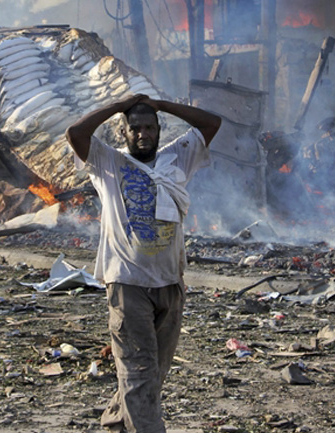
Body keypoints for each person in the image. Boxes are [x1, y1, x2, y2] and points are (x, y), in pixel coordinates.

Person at [65, 93, 221, 432]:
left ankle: (114, 423)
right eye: (134, 128)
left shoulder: (176, 159)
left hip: (169, 284)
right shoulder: (109, 162)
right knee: (139, 373)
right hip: (128, 285)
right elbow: (76, 133)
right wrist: (118, 106)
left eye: (149, 127)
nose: (142, 134)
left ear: (159, 130)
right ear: (123, 132)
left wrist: (161, 105)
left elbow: (211, 123)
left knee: (152, 375)